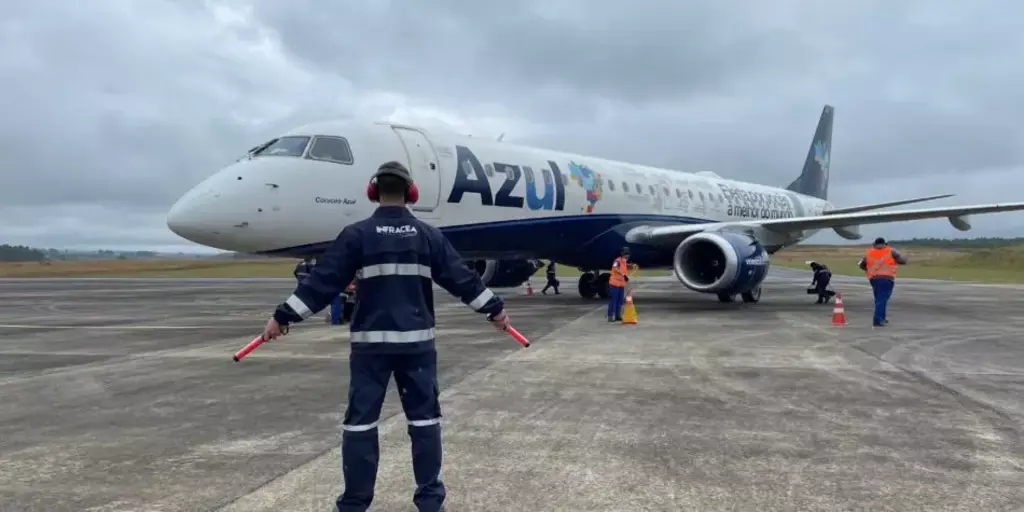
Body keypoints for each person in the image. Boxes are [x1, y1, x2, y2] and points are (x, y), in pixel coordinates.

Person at [260, 161, 509, 512]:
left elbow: (322, 284)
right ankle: (429, 502)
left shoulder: (356, 235)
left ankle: (354, 504)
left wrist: (282, 317)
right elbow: (462, 279)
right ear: (411, 193)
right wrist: (494, 310)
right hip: (417, 347)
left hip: (370, 349)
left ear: (373, 192)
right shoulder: (427, 235)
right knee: (424, 421)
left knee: (360, 424)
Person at [857, 237, 908, 327]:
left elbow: (861, 264)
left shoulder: (869, 253)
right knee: (882, 299)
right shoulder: (891, 251)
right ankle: (878, 320)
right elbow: (902, 261)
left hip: (874, 279)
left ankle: (882, 318)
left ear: (874, 244)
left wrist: (868, 269)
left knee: (879, 299)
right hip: (886, 278)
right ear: (885, 244)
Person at [607, 247, 631, 322]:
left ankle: (618, 316)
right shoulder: (617, 261)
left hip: (621, 285)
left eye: (628, 254)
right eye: (625, 254)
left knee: (620, 301)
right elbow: (615, 268)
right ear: (622, 254)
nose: (627, 256)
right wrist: (623, 274)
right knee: (613, 300)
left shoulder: (624, 262)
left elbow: (624, 271)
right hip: (614, 284)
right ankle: (610, 316)